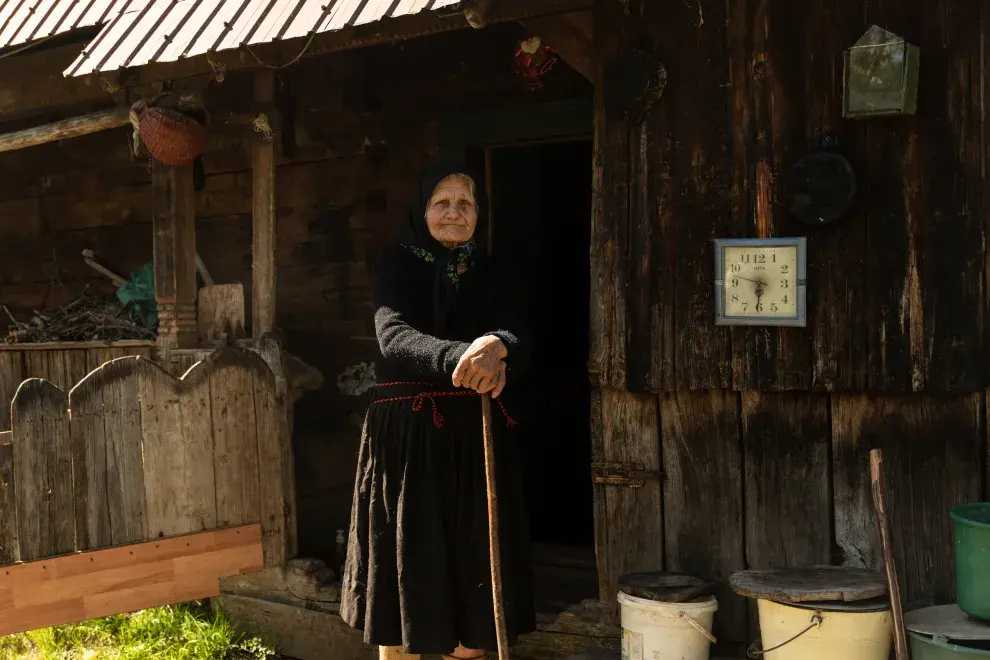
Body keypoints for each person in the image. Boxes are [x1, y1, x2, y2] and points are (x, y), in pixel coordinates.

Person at [341, 163, 535, 660]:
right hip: (410, 436)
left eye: (465, 203)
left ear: (479, 213)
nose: (454, 212)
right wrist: (461, 358)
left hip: (474, 435)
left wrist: (497, 346)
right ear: (422, 209)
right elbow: (394, 335)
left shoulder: (489, 268)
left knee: (471, 565)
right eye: (442, 202)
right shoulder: (397, 263)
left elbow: (518, 330)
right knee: (408, 560)